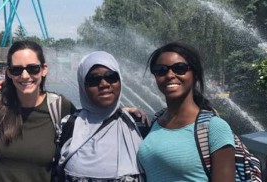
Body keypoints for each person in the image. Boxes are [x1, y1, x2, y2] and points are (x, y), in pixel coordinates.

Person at [0, 40, 77, 182]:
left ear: (44, 69)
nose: (24, 76)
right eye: (17, 70)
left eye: (33, 68)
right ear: (9, 73)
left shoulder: (59, 107)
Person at [137, 42, 235, 181]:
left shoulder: (214, 127)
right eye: (161, 69)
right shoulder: (155, 123)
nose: (170, 75)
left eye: (179, 68)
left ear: (194, 74)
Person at [58, 51, 144, 181]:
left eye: (111, 77)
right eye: (94, 79)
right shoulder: (69, 125)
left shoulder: (136, 123)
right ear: (83, 86)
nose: (104, 84)